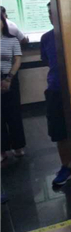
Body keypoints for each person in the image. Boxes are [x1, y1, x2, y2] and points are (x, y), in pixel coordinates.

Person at [41, 3, 71, 186]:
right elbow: (47, 60)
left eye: (54, 13)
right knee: (59, 132)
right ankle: (66, 166)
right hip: (55, 89)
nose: (51, 16)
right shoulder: (46, 38)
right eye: (49, 13)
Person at [1, 12, 26, 161]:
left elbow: (17, 60)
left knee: (14, 114)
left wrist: (9, 78)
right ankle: (2, 150)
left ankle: (18, 146)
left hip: (10, 78)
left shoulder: (12, 40)